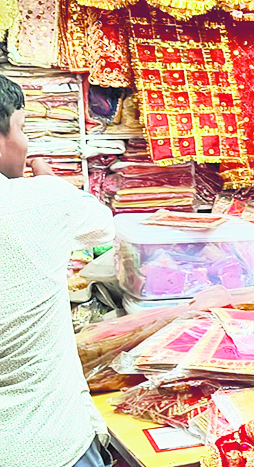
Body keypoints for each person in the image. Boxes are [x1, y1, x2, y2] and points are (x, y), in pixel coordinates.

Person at [0, 75, 116, 467]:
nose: (25, 142)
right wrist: (49, 184)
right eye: (22, 128)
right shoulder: (40, 201)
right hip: (49, 444)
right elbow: (102, 227)